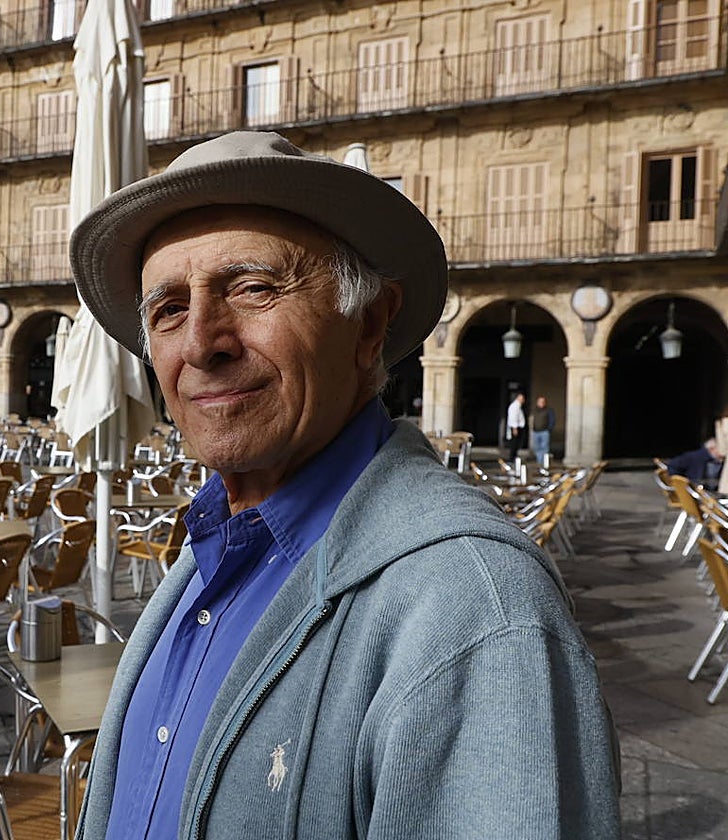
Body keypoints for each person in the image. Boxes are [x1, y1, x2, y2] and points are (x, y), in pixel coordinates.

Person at [68, 132, 619, 838]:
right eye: (168, 308)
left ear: (370, 323)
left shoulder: (471, 607)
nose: (202, 341)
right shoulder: (212, 552)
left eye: (252, 287)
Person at [530, 394, 556, 466]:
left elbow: (552, 420)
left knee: (544, 448)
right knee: (537, 448)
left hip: (544, 432)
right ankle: (539, 462)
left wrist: (549, 429)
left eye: (542, 402)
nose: (541, 403)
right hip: (536, 432)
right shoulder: (534, 410)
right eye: (539, 402)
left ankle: (543, 463)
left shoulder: (549, 410)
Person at [505, 391, 527, 461]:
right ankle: (512, 458)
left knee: (517, 444)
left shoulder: (518, 406)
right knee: (514, 444)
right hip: (516, 427)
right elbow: (513, 417)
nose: (523, 400)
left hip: (518, 427)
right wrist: (514, 428)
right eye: (521, 398)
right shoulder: (514, 406)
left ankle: (514, 457)